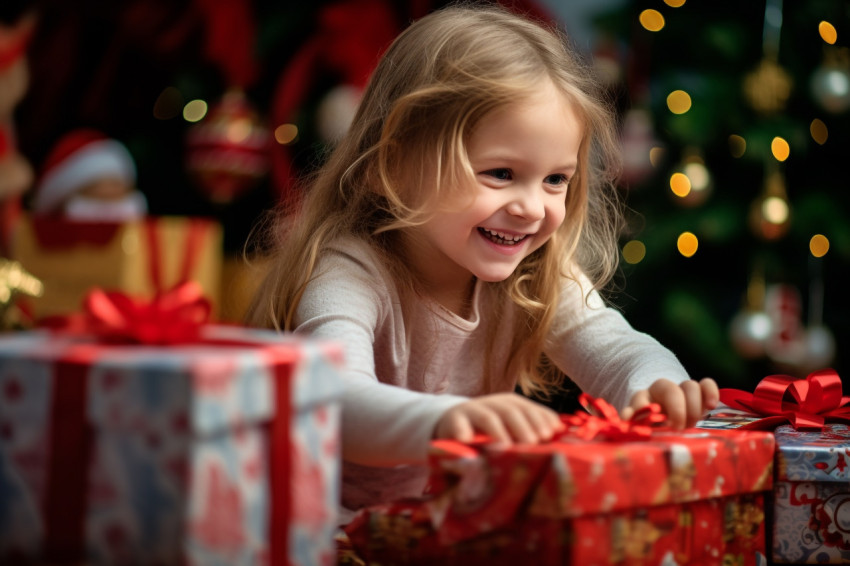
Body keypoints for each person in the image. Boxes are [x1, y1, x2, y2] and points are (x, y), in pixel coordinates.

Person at [246, 1, 718, 524]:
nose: (531, 207)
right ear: (392, 166)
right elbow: (336, 400)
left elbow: (618, 349)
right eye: (499, 173)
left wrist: (655, 387)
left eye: (555, 180)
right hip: (309, 529)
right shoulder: (348, 271)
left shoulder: (534, 277)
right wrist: (453, 421)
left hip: (429, 533)